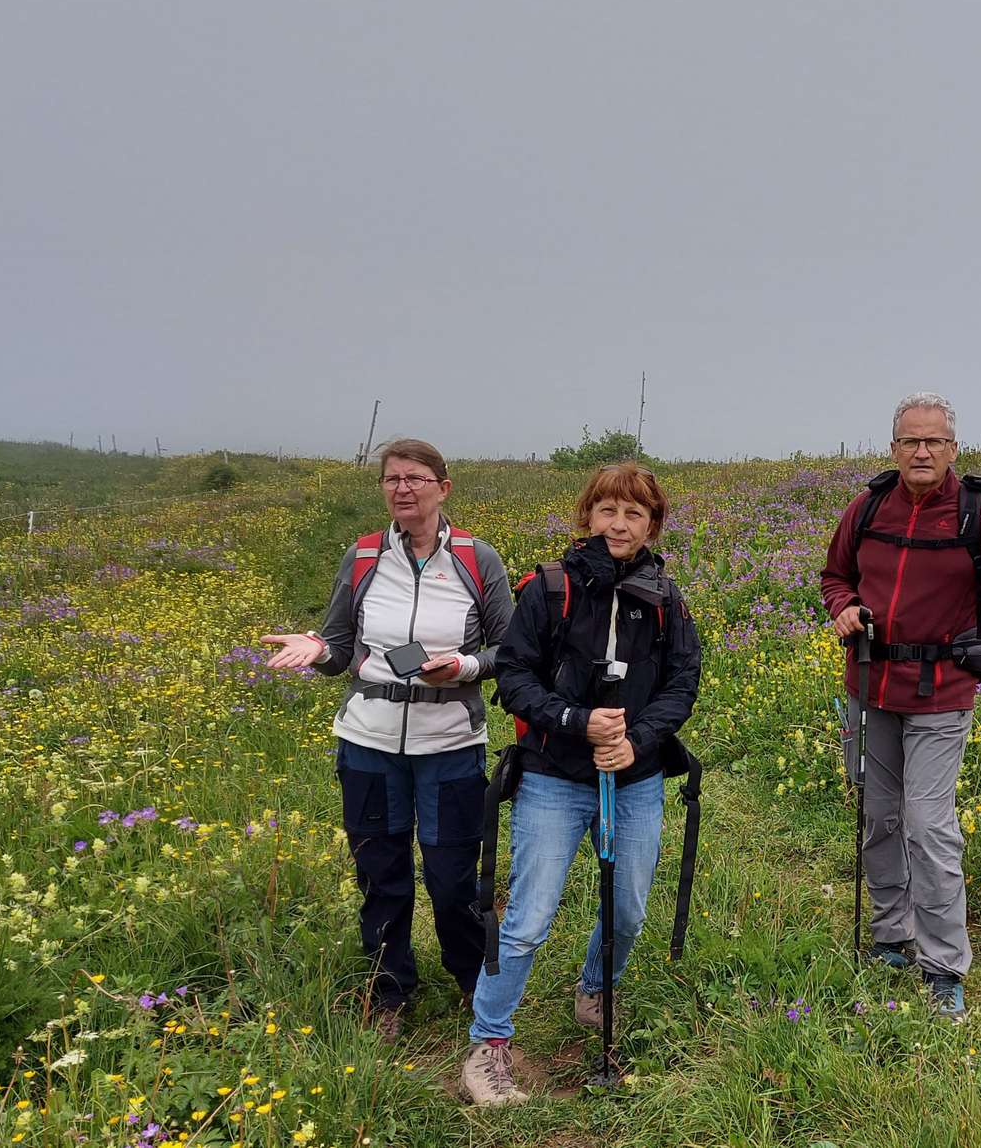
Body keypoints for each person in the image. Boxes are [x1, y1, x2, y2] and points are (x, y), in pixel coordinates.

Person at [819, 392, 981, 1020]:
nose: (922, 451)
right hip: (871, 684)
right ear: (893, 447)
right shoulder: (867, 506)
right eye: (910, 441)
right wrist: (843, 608)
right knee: (879, 815)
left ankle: (944, 966)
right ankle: (892, 936)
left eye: (934, 441)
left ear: (953, 448)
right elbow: (835, 576)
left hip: (941, 691)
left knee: (927, 824)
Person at [460, 462, 702, 1107]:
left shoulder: (667, 598)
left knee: (628, 911)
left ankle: (595, 988)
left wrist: (636, 741)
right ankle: (489, 1043)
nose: (619, 524)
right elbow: (514, 676)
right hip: (553, 777)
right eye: (608, 510)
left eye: (634, 514)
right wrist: (576, 721)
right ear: (588, 515)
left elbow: (683, 682)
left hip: (636, 779)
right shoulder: (549, 587)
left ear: (653, 525)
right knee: (529, 917)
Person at [260, 438, 512, 1038]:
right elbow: (338, 646)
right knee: (380, 871)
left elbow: (511, 648)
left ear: (443, 488)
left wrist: (465, 666)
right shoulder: (364, 556)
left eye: (416, 478)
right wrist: (316, 650)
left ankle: (474, 982)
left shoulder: (477, 559)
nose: (403, 488)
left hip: (450, 743)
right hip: (369, 742)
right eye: (392, 478)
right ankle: (390, 990)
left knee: (452, 876)